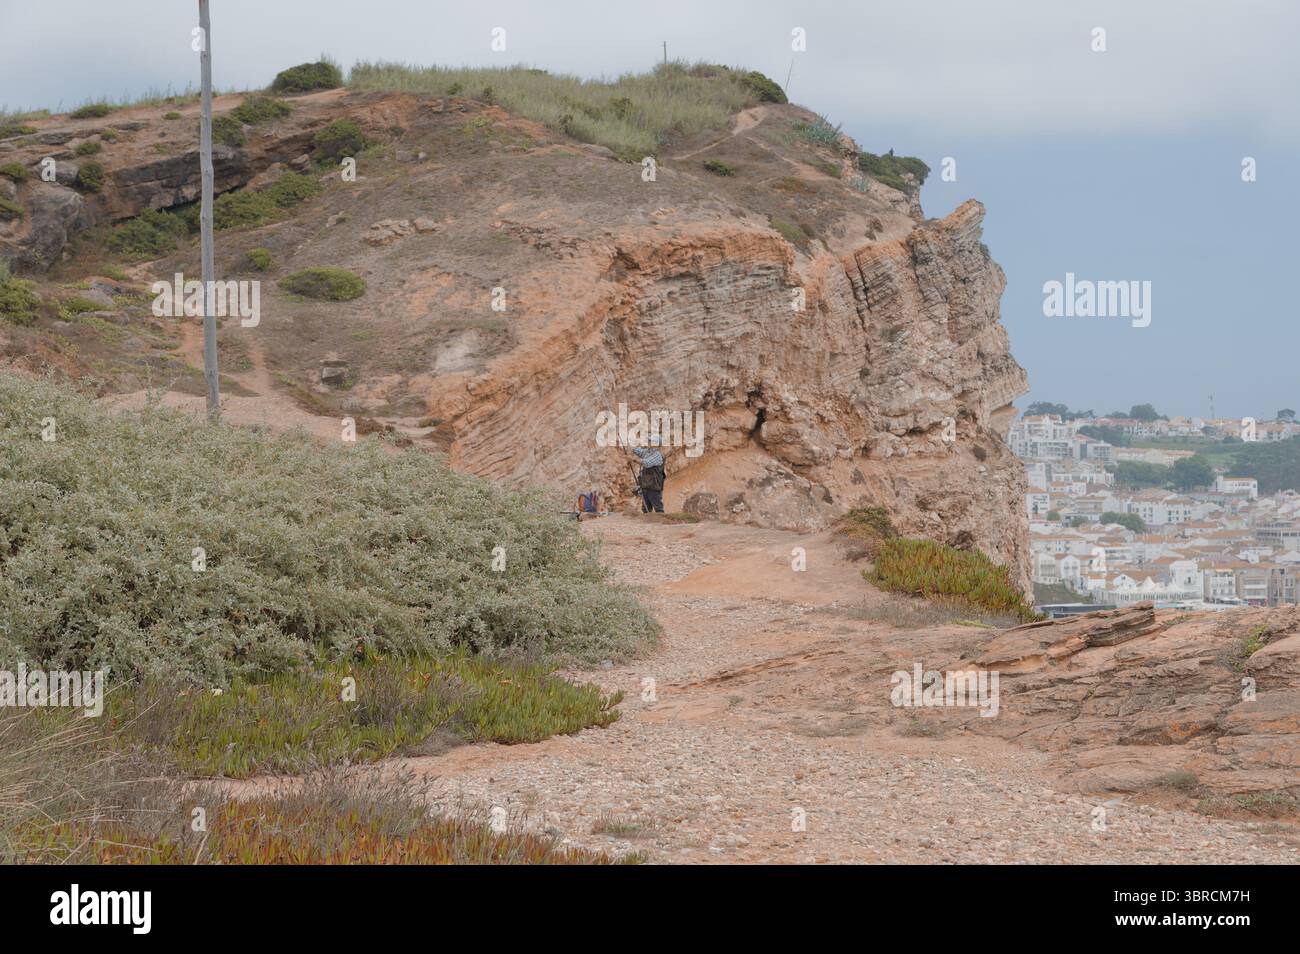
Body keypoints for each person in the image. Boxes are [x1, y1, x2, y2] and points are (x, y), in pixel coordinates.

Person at [628, 435, 666, 513]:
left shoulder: (658, 455)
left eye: (650, 441)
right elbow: (636, 450)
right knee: (646, 509)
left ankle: (661, 523)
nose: (648, 442)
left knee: (658, 508)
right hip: (646, 486)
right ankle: (649, 524)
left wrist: (632, 459)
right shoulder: (647, 452)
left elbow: (646, 463)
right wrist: (627, 444)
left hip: (654, 487)